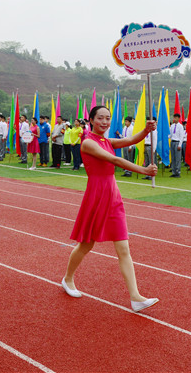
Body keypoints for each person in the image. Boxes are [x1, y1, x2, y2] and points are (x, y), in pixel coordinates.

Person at [61, 106, 159, 312]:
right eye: (100, 118)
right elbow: (114, 159)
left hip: (113, 196)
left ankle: (135, 297)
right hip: (96, 196)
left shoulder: (107, 141)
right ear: (91, 120)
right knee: (86, 245)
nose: (104, 122)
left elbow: (130, 141)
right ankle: (68, 279)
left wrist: (146, 130)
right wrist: (144, 170)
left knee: (123, 248)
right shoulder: (88, 142)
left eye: (108, 119)